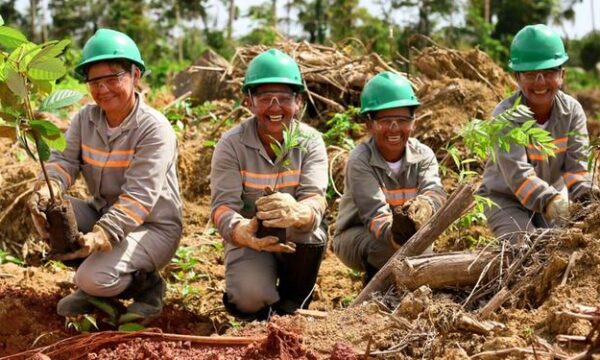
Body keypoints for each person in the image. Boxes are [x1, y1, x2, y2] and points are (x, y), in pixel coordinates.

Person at [27, 29, 182, 324]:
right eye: (95, 82)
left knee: (93, 277)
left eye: (113, 79)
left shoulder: (154, 129)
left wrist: (101, 235)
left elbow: (139, 197)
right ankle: (97, 287)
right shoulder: (85, 119)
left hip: (154, 226)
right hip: (104, 213)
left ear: (136, 75)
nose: (103, 89)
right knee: (52, 212)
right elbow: (63, 161)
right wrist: (47, 190)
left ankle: (147, 287)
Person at [210, 49, 328, 320]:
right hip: (252, 240)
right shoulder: (231, 145)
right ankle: (263, 313)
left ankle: (293, 305)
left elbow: (316, 198)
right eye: (265, 99)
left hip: (296, 237)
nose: (275, 107)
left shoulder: (310, 142)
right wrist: (242, 231)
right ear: (249, 103)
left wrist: (297, 213)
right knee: (247, 298)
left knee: (312, 231)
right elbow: (222, 207)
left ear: (298, 102)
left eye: (285, 99)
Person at [477, 24, 599, 242]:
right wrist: (556, 204)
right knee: (527, 251)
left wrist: (589, 201)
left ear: (562, 74)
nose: (540, 82)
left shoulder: (572, 112)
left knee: (565, 244)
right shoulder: (505, 115)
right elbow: (519, 176)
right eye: (531, 74)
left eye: (549, 72)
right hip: (505, 199)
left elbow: (577, 170)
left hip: (548, 199)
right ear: (517, 77)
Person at [333, 71, 446, 283]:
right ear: (369, 124)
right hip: (357, 235)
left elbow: (436, 191)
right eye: (385, 120)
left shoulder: (423, 155)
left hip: (409, 234)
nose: (394, 128)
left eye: (402, 120)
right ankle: (374, 294)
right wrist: (396, 237)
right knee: (388, 251)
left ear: (413, 122)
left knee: (422, 253)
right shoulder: (360, 160)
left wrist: (425, 206)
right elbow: (375, 216)